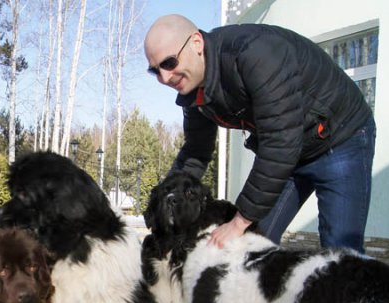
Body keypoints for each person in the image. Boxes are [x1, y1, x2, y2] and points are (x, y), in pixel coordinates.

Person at [144, 15, 376, 253]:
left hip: (341, 138)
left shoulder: (254, 54)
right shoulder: (194, 93)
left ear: (196, 43)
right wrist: (161, 203)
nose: (164, 77)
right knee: (253, 245)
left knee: (341, 253)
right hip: (285, 155)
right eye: (155, 71)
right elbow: (195, 152)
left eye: (169, 62)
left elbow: (280, 142)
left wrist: (238, 222)